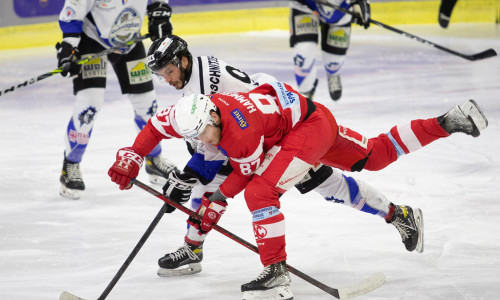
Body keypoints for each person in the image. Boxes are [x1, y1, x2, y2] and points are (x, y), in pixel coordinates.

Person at [108, 82, 487, 299]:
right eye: (193, 138)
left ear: (212, 116)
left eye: (203, 134)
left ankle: (275, 272)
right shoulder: (189, 114)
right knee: (374, 154)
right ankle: (447, 121)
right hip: (307, 116)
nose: (202, 142)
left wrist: (215, 203)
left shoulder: (239, 132)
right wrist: (131, 155)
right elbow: (156, 129)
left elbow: (241, 178)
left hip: (301, 130)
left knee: (260, 193)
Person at [145, 34, 425, 278]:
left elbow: (231, 132)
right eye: (161, 75)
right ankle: (193, 247)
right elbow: (216, 137)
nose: (166, 80)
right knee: (207, 188)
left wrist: (188, 175)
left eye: (167, 72)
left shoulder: (206, 84)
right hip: (250, 139)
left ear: (182, 61)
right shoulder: (196, 75)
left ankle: (397, 214)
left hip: (279, 136)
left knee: (330, 185)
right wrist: (190, 176)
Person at [56, 0, 178, 199]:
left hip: (129, 41)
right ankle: (70, 164)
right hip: (92, 41)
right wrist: (69, 48)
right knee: (89, 105)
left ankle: (153, 160)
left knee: (147, 104)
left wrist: (159, 11)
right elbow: (73, 12)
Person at [289, 0, 370, 101]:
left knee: (333, 62)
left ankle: (333, 72)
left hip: (339, 8)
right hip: (305, 6)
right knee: (303, 54)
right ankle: (305, 93)